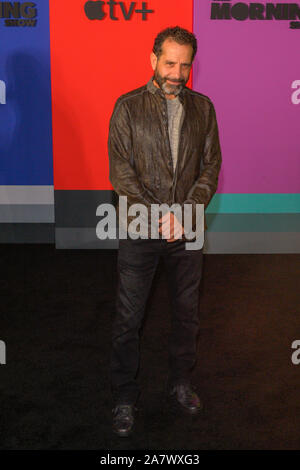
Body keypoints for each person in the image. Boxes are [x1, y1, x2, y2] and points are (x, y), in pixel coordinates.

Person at [108, 25, 222, 437]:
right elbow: (121, 175)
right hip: (142, 228)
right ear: (152, 59)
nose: (177, 73)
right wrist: (161, 217)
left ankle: (180, 382)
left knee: (186, 316)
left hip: (187, 228)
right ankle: (124, 396)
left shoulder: (204, 108)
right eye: (170, 63)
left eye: (185, 65)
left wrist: (186, 212)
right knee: (128, 317)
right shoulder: (127, 107)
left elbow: (210, 167)